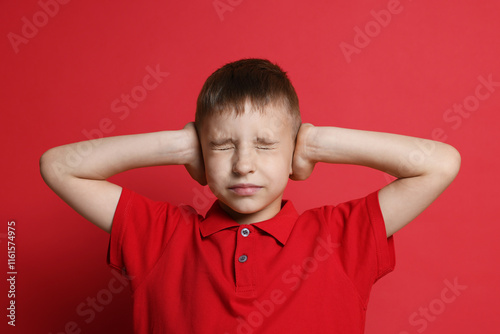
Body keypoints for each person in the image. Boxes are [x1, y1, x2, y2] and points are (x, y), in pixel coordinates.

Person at [40, 58, 461, 333]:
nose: (244, 164)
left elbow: (439, 162)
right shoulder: (161, 237)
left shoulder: (339, 237)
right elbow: (58, 166)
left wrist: (317, 144)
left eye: (265, 145)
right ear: (202, 154)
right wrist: (178, 146)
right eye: (223, 145)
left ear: (292, 152)